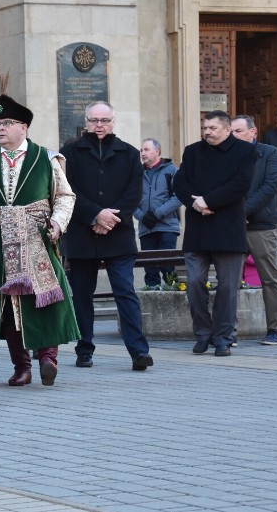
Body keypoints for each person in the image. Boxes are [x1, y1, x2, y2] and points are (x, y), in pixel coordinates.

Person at [0, 95, 79, 387]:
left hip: (37, 239)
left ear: (24, 127)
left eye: (7, 123)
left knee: (45, 299)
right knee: (7, 308)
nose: (1, 128)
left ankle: (48, 359)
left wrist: (58, 225)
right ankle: (21, 366)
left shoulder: (46, 157)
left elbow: (64, 196)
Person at [60, 101, 154, 371]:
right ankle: (84, 349)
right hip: (82, 235)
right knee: (82, 295)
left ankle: (138, 351)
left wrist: (109, 219)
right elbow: (68, 191)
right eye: (94, 120)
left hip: (118, 234)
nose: (99, 125)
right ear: (85, 122)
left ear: (113, 121)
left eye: (104, 120)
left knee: (125, 292)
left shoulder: (129, 153)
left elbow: (134, 194)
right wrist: (94, 215)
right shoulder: (70, 153)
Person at [173, 110, 257, 357]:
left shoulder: (246, 151)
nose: (207, 131)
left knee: (228, 288)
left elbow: (241, 184)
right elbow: (180, 183)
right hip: (198, 230)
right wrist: (197, 204)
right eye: (205, 127)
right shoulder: (192, 151)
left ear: (227, 129)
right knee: (195, 283)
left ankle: (223, 338)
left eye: (213, 128)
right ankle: (202, 334)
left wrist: (209, 201)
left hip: (228, 230)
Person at [231, 115, 277, 346]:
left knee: (269, 278)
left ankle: (275, 328)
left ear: (252, 132)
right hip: (231, 226)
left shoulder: (270, 153)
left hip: (261, 226)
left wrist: (241, 211)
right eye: (231, 131)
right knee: (228, 279)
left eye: (238, 131)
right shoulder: (226, 156)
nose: (233, 136)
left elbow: (271, 186)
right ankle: (227, 332)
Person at [133, 138, 182, 288]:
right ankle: (151, 298)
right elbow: (130, 199)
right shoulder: (137, 173)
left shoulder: (172, 171)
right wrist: (141, 216)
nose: (143, 153)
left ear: (157, 151)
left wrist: (157, 214)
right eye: (141, 150)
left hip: (167, 227)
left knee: (168, 267)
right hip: (146, 228)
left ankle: (173, 296)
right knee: (150, 268)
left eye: (146, 150)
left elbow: (179, 197)